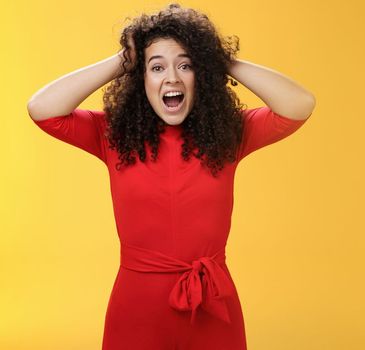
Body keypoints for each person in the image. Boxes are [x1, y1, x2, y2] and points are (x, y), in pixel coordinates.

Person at [26, 3, 315, 350]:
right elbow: (42, 109)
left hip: (212, 304)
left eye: (186, 65)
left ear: (201, 76)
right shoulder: (112, 134)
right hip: (137, 308)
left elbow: (299, 104)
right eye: (156, 67)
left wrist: (220, 59)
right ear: (140, 77)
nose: (172, 78)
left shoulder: (229, 134)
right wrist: (121, 61)